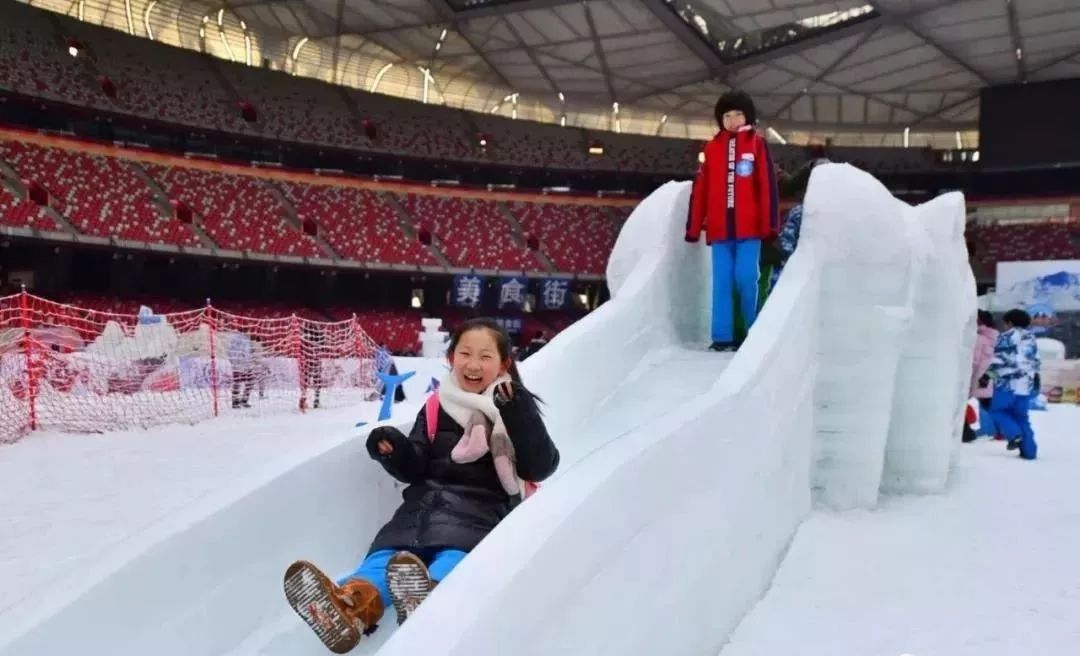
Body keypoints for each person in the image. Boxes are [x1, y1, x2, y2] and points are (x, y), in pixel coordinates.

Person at [284, 318, 559, 653]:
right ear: (450, 358)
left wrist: (518, 412)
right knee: (384, 559)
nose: (473, 365)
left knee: (453, 558)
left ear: (504, 363)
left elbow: (542, 466)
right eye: (465, 353)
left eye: (485, 357)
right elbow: (415, 465)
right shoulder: (435, 406)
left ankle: (429, 600)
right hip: (419, 510)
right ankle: (349, 606)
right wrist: (393, 448)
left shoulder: (513, 406)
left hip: (479, 515)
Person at [686, 90, 780, 352]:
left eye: (738, 114)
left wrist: (770, 224)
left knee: (747, 277)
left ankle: (753, 331)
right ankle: (722, 336)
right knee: (722, 282)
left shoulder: (756, 144)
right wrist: (694, 228)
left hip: (750, 230)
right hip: (719, 231)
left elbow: (767, 186)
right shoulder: (712, 148)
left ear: (747, 116)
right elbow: (701, 189)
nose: (732, 119)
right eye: (726, 115)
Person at [987, 309, 1040, 459]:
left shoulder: (1005, 337)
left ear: (1009, 322)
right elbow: (1035, 361)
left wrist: (989, 373)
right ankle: (1029, 452)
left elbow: (998, 361)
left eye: (1005, 322)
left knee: (997, 411)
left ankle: (1014, 434)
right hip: (1025, 385)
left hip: (1007, 383)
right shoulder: (1031, 338)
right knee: (1021, 417)